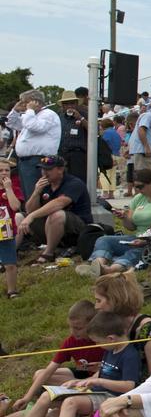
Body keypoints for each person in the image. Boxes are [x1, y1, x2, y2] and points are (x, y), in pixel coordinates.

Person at [0, 311, 141, 417]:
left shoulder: (129, 355)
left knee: (70, 403)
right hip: (95, 391)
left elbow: (129, 385)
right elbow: (104, 371)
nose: (97, 346)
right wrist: (81, 382)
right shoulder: (111, 349)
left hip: (111, 398)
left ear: (110, 338)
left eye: (98, 342)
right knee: (47, 397)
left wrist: (98, 382)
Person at [0, 300, 103, 417]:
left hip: (98, 380)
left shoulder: (102, 341)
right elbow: (49, 370)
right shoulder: (71, 341)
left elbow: (110, 370)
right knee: (39, 374)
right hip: (82, 375)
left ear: (92, 325)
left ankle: (57, 404)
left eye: (78, 328)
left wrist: (99, 368)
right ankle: (52, 402)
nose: (73, 332)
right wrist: (27, 397)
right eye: (70, 327)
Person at [78, 168, 151, 276]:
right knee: (103, 240)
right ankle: (99, 264)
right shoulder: (138, 198)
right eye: (136, 187)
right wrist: (124, 217)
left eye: (140, 186)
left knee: (135, 253)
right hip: (136, 238)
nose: (138, 190)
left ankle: (110, 270)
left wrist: (145, 242)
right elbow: (131, 227)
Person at [18, 154, 92, 264]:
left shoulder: (73, 183)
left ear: (60, 169)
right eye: (42, 169)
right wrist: (36, 193)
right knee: (18, 216)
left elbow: (58, 203)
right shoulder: (44, 184)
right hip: (50, 228)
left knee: (56, 214)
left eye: (48, 169)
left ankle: (48, 253)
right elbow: (30, 210)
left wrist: (31, 216)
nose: (44, 172)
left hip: (76, 230)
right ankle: (9, 253)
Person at [5, 90, 61, 200]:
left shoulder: (48, 114)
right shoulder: (30, 116)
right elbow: (11, 123)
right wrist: (15, 110)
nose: (24, 106)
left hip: (38, 160)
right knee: (28, 194)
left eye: (26, 102)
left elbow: (35, 126)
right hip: (25, 161)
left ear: (35, 102)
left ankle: (37, 217)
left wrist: (30, 110)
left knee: (35, 195)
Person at [0, 159, 19, 298]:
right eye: (0, 170)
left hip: (6, 230)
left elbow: (16, 207)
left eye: (7, 170)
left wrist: (8, 189)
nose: (4, 173)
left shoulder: (14, 188)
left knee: (10, 263)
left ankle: (12, 291)